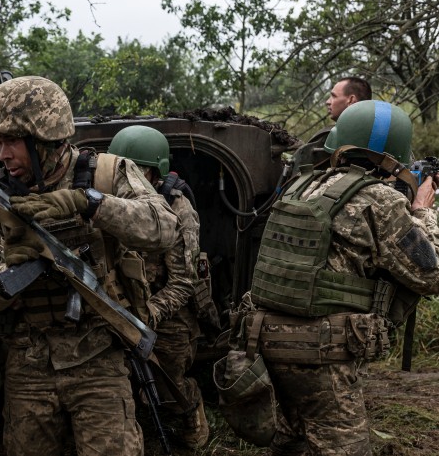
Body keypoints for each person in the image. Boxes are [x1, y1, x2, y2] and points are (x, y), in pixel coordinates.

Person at [0, 76, 180, 456]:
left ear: (44, 138)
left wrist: (90, 203)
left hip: (98, 357)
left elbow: (163, 229)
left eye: (11, 142)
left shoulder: (107, 174)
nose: (3, 155)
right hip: (27, 364)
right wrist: (13, 274)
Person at [237, 100, 439, 455]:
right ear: (392, 158)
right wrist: (423, 211)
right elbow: (430, 274)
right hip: (321, 354)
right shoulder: (380, 201)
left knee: (292, 442)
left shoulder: (303, 184)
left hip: (263, 342)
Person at [107, 125, 209, 449]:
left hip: (168, 313)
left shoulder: (180, 211)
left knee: (170, 388)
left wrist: (148, 314)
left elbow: (183, 282)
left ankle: (192, 415)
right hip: (122, 305)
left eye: (138, 170)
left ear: (156, 171)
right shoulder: (111, 203)